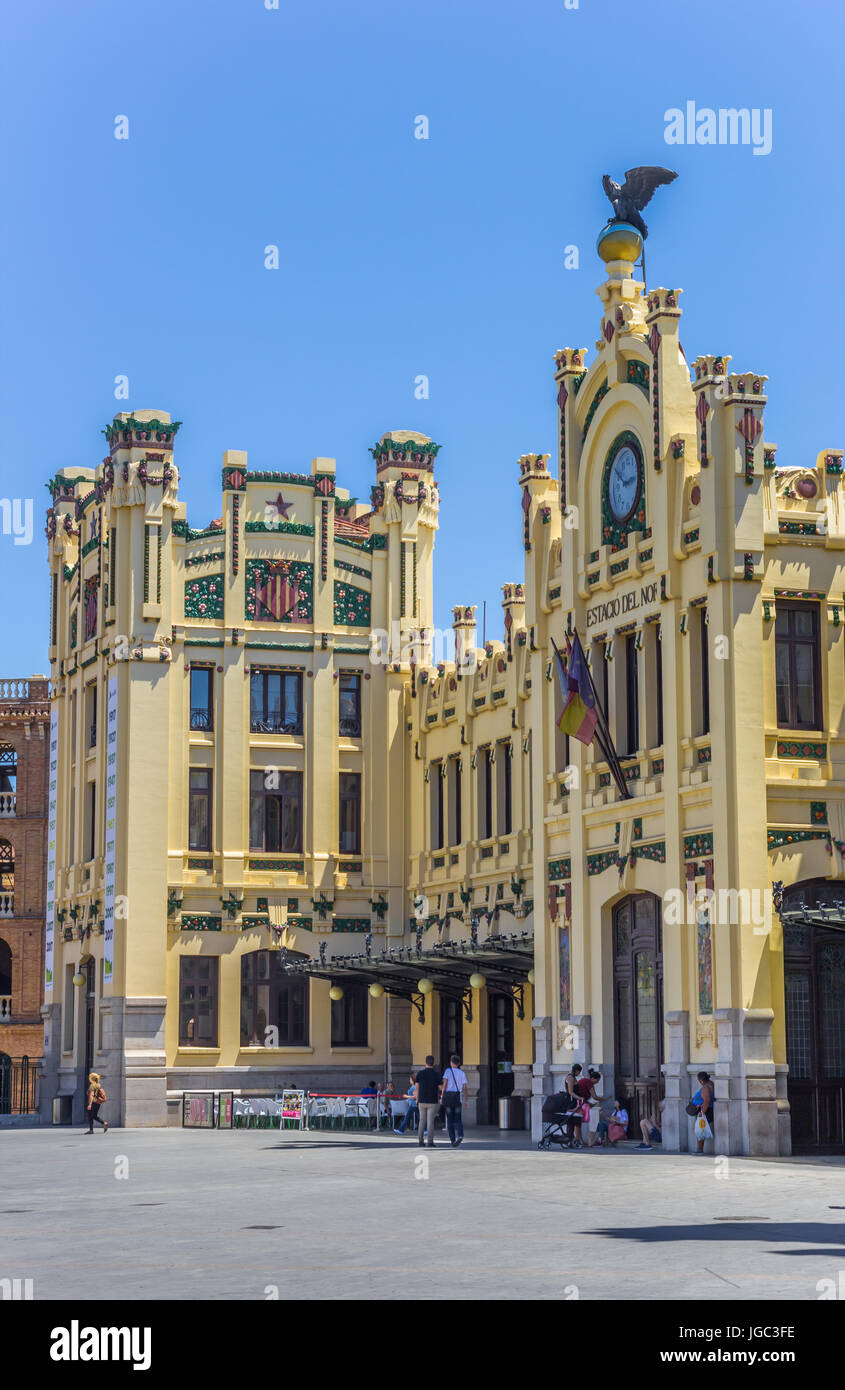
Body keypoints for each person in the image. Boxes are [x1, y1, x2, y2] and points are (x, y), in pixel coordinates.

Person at [414, 1055, 443, 1147]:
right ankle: (430, 1142)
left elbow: (417, 1088)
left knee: (422, 1121)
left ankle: (420, 1141)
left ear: (425, 1062)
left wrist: (417, 1099)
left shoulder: (420, 1073)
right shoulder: (436, 1074)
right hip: (433, 1100)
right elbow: (441, 1088)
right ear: (433, 1063)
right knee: (430, 1122)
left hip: (421, 1100)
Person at [441, 1054, 468, 1146]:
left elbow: (444, 1084)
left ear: (451, 1062)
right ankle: (460, 1135)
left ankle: (452, 1140)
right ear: (459, 1063)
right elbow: (464, 1087)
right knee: (458, 1119)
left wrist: (442, 1096)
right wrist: (466, 1100)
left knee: (449, 1120)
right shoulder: (462, 1073)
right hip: (457, 1098)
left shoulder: (448, 1071)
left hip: (448, 1098)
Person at [692, 1071, 714, 1153]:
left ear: (700, 1080)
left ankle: (699, 1149)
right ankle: (699, 1149)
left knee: (700, 1130)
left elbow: (707, 1101)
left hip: (705, 1110)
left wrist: (702, 1112)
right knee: (701, 1129)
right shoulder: (711, 1084)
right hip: (706, 1110)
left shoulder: (705, 1088)